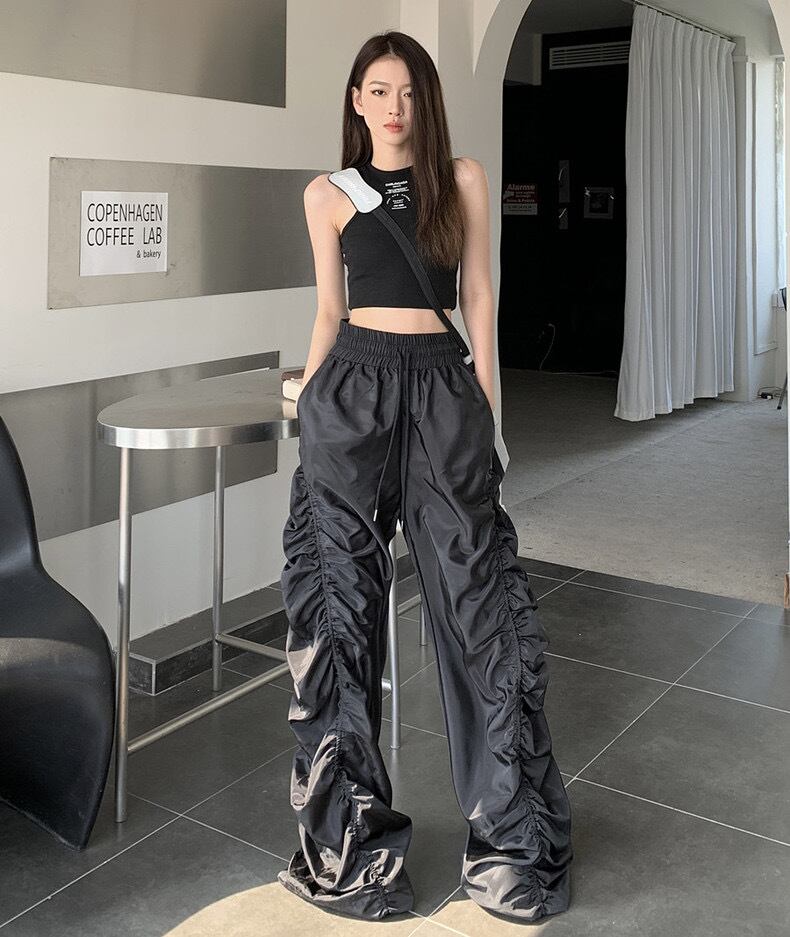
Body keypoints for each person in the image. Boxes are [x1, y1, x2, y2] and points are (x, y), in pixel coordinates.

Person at [277, 29, 573, 924]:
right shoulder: (326, 194)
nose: (394, 106)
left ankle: (510, 844)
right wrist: (309, 396)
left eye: (408, 91)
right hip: (352, 392)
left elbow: (478, 299)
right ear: (357, 101)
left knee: (478, 609)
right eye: (378, 90)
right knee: (341, 616)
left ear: (425, 101)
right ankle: (353, 848)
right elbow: (329, 310)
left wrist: (491, 418)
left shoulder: (463, 179)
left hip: (445, 392)